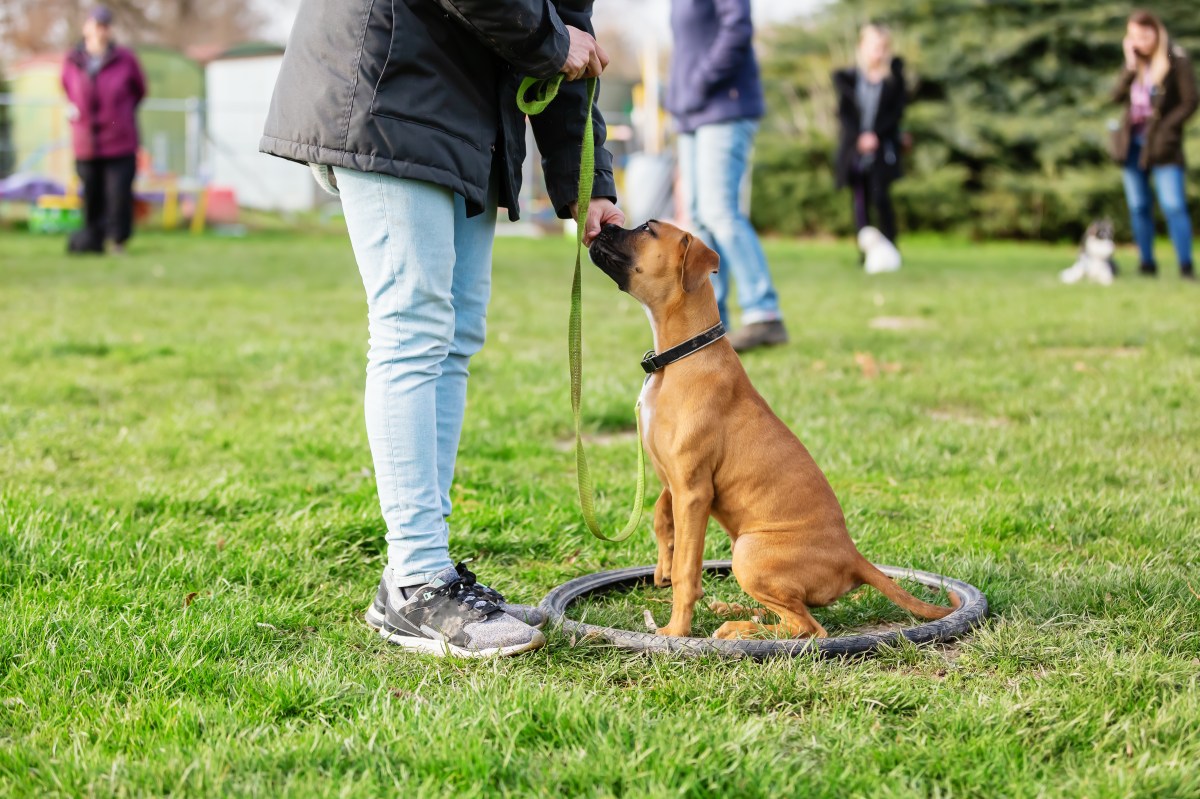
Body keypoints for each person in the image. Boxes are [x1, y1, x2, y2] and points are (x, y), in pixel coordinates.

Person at [261, 0, 622, 658]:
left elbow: (571, 31)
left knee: (452, 337)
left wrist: (585, 175)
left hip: (460, 105)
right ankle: (418, 582)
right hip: (389, 79)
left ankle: (424, 573)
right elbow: (556, 37)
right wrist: (548, 40)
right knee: (412, 328)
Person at [667, 0, 788, 353]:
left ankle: (765, 313)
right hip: (691, 114)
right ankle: (713, 321)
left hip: (724, 106)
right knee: (699, 216)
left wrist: (699, 82)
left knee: (720, 211)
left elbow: (737, 30)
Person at [1111, 10, 1197, 279]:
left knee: (1173, 205)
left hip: (1163, 145)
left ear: (1156, 32)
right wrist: (1129, 65)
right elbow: (1115, 97)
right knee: (1138, 206)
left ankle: (1185, 266)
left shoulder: (1175, 59)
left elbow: (1190, 101)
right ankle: (1146, 264)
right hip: (1132, 145)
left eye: (1145, 35)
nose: (1140, 41)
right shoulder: (1134, 63)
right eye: (1134, 36)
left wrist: (1168, 128)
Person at [60, 5, 146, 255]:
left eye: (105, 25)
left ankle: (118, 241)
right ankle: (92, 240)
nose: (100, 30)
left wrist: (119, 116)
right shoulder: (72, 60)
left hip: (119, 140)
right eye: (96, 24)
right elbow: (67, 89)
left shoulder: (126, 59)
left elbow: (139, 91)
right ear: (86, 27)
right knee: (92, 194)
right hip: (86, 141)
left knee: (119, 195)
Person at [833, 23, 906, 250]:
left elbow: (896, 114)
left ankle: (890, 248)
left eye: (883, 47)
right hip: (855, 148)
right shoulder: (849, 79)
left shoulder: (894, 80)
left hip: (883, 148)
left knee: (881, 197)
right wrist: (860, 137)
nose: (878, 51)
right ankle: (865, 252)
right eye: (874, 46)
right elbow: (844, 114)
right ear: (862, 47)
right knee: (860, 201)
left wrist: (875, 136)